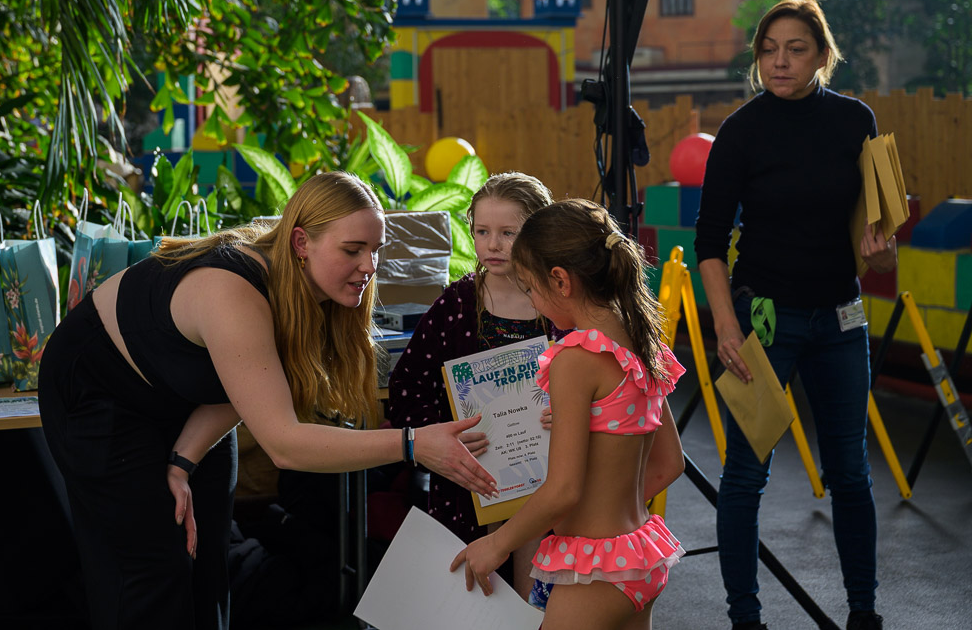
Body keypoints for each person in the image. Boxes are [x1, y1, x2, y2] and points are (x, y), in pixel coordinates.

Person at [38, 171, 497, 630]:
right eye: (352, 250)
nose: (369, 266)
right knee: (152, 569)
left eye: (375, 250)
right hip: (100, 389)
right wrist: (412, 444)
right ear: (301, 242)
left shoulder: (307, 289)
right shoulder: (234, 291)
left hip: (182, 392)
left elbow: (242, 384)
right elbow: (284, 443)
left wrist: (182, 462)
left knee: (207, 561)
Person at [695, 0, 896, 630]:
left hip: (841, 320)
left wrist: (882, 250)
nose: (779, 62)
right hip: (763, 323)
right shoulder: (740, 130)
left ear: (822, 55)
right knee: (745, 475)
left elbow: (881, 247)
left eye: (796, 49)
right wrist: (726, 326)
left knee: (851, 474)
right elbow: (709, 242)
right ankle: (745, 618)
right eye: (769, 50)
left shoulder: (856, 121)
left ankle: (863, 612)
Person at [451, 198, 686, 630]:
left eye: (530, 288)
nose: (532, 300)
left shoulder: (575, 359)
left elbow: (563, 491)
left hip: (596, 568)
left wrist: (497, 544)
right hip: (640, 554)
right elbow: (670, 463)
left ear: (560, 280)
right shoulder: (641, 342)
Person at [387, 171, 559, 602]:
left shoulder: (561, 304)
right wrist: (442, 437)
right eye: (482, 231)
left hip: (552, 479)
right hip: (471, 482)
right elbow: (407, 387)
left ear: (537, 234)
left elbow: (599, 382)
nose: (492, 244)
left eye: (508, 233)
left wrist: (572, 413)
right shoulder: (457, 303)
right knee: (479, 600)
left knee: (539, 600)